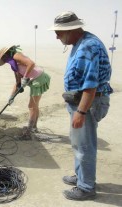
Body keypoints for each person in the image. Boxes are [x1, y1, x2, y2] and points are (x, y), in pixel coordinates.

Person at [49, 11, 113, 200]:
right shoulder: (80, 43)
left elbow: (90, 85)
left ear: (71, 30)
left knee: (85, 145)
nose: (57, 36)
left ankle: (86, 187)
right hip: (80, 102)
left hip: (87, 104)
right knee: (78, 143)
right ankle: (81, 177)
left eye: (59, 33)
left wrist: (81, 111)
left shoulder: (88, 47)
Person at [0, 45, 51, 132]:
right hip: (35, 79)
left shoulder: (16, 55)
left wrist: (25, 77)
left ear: (6, 54)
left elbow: (31, 63)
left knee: (31, 106)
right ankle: (34, 128)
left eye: (4, 58)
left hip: (38, 79)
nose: (5, 61)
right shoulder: (13, 65)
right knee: (35, 105)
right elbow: (18, 83)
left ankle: (28, 132)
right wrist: (11, 97)